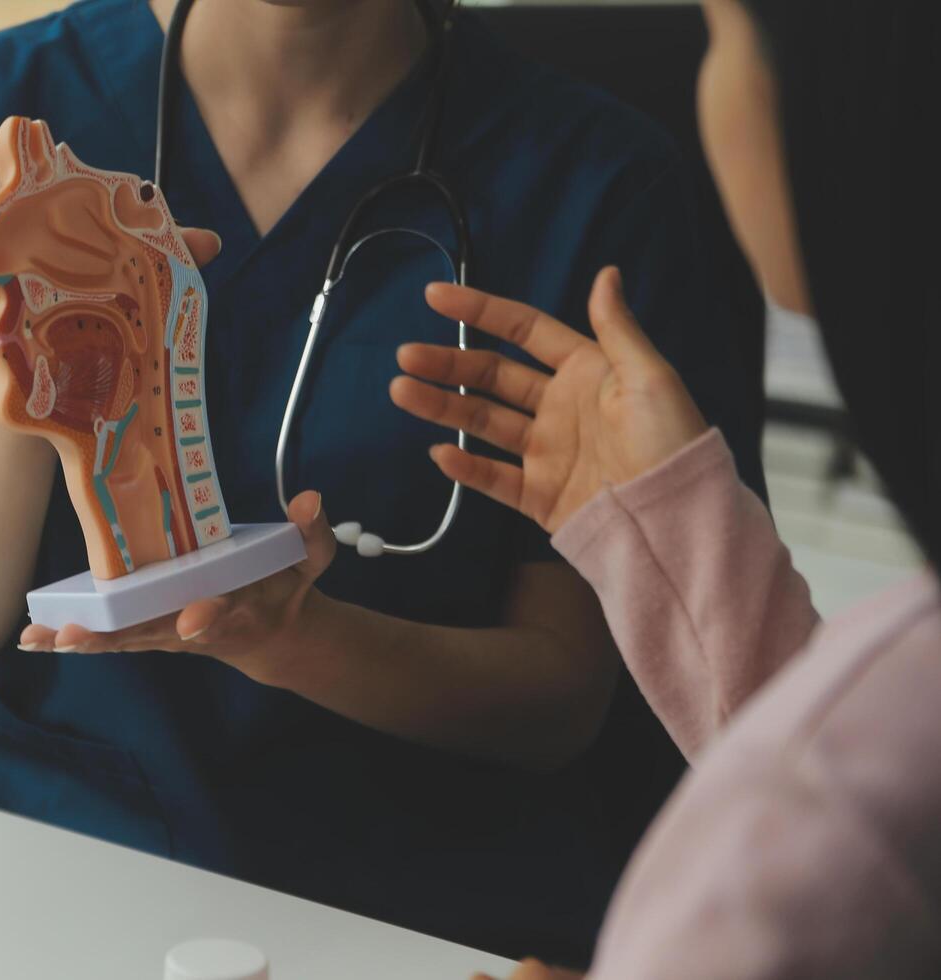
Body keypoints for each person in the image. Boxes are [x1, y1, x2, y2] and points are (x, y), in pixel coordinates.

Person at [0, 0, 763, 963]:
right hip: (58, 870)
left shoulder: (593, 181)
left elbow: (562, 701)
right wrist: (35, 362)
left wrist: (296, 640)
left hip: (417, 912)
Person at [390, 0, 938, 976]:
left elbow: (843, 801)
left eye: (722, 35)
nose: (701, 78)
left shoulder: (866, 775)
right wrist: (679, 530)